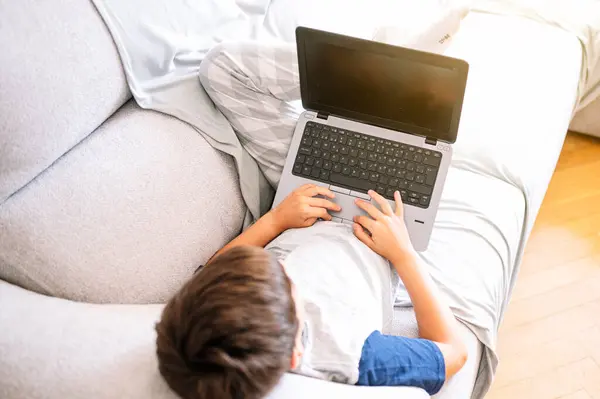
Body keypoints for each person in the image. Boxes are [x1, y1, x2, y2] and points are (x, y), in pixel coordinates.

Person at [155, 42, 468, 399]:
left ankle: (368, 69)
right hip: (379, 228)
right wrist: (403, 255)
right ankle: (402, 79)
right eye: (287, 281)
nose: (290, 267)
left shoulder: (202, 328)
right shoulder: (356, 359)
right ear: (295, 354)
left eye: (276, 264)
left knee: (222, 67)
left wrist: (275, 221)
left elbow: (218, 269)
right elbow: (453, 351)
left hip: (300, 202)